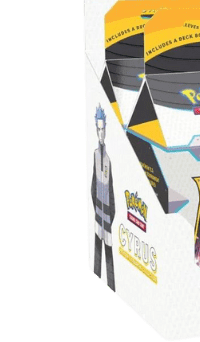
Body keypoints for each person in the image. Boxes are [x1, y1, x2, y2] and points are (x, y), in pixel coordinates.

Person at [91, 105, 116, 292]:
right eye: (98, 129)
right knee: (97, 252)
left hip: (107, 216)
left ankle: (112, 288)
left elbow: (111, 190)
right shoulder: (94, 155)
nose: (101, 133)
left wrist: (110, 213)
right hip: (98, 214)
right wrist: (97, 210)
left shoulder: (108, 160)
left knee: (108, 253)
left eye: (103, 129)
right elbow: (93, 186)